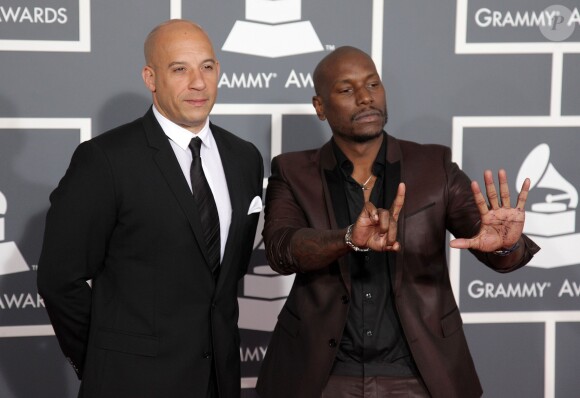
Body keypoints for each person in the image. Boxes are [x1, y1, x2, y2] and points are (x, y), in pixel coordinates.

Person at [255, 46, 539, 398]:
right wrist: (348, 239)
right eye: (346, 90)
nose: (364, 98)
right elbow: (282, 250)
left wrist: (507, 244)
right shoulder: (293, 171)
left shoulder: (434, 166)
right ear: (320, 106)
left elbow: (493, 248)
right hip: (322, 376)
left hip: (420, 374)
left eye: (373, 85)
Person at [37, 19, 263, 398]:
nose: (198, 82)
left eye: (207, 67)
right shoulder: (105, 160)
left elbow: (225, 276)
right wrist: (104, 360)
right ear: (150, 77)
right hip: (129, 383)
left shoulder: (244, 158)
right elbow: (59, 280)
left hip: (219, 383)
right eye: (180, 69)